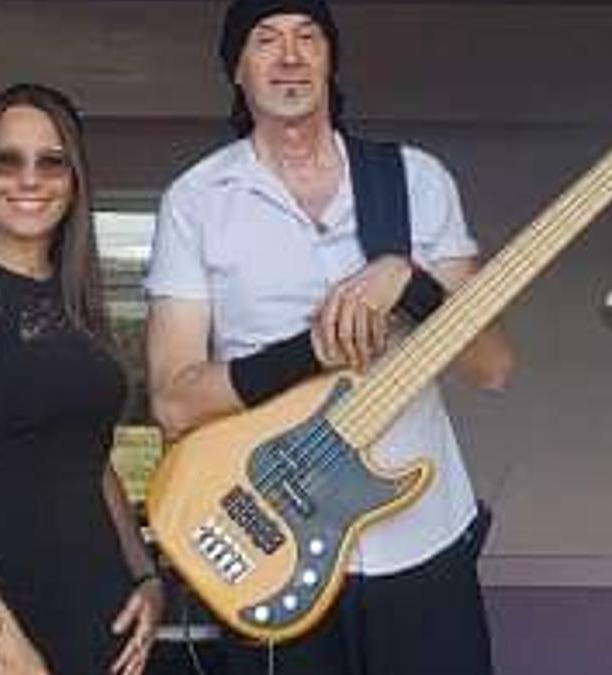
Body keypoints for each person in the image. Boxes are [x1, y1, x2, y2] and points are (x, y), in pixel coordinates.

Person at [144, 1, 515, 673]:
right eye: (266, 39)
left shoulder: (415, 180)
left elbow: (492, 366)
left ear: (330, 59)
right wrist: (311, 352)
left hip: (423, 543)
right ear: (237, 68)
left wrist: (412, 282)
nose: (290, 55)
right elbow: (173, 402)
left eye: (308, 37)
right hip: (269, 547)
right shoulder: (195, 201)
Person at [0, 83, 163, 675]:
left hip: (95, 623)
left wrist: (145, 575)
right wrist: (0, 635)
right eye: (8, 161)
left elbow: (90, 459)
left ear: (75, 180)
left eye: (51, 161)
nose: (29, 179)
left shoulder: (75, 308)